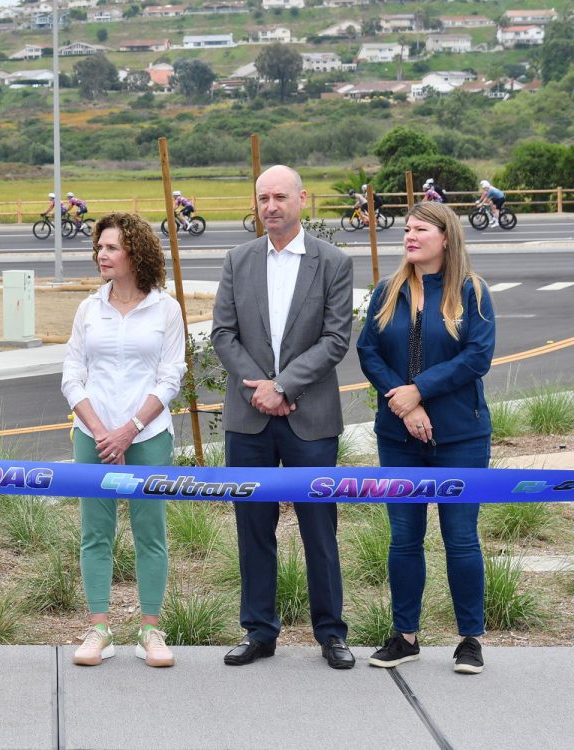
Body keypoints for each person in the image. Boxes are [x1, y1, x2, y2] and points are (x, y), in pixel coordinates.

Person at [211, 165, 355, 670]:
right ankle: (259, 631)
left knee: (320, 528)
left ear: (302, 200)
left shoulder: (333, 262)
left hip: (309, 418)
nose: (271, 206)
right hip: (248, 418)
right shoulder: (237, 260)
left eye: (280, 197)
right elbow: (223, 334)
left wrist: (284, 386)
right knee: (252, 527)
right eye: (263, 197)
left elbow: (336, 338)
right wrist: (261, 389)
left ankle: (331, 633)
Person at [356, 201, 495, 675]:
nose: (409, 236)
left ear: (446, 237)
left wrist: (420, 391)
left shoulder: (471, 291)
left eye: (419, 229)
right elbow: (368, 351)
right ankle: (405, 636)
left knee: (460, 539)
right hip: (398, 437)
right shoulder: (387, 291)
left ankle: (470, 639)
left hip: (460, 437)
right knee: (404, 539)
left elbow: (477, 357)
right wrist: (404, 402)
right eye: (407, 230)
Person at [61, 212, 186, 668]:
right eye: (99, 248)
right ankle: (99, 629)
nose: (102, 255)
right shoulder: (88, 309)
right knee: (95, 534)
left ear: (135, 252)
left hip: (147, 434)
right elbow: (72, 375)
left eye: (111, 248)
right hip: (91, 435)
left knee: (150, 532)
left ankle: (150, 630)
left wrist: (129, 428)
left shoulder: (165, 309)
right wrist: (99, 431)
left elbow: (172, 375)